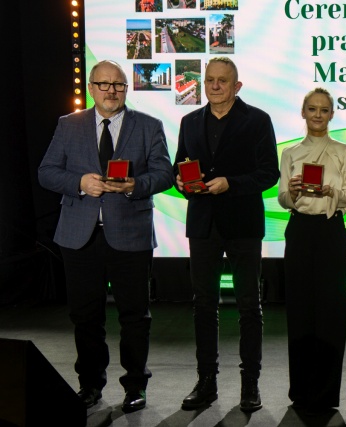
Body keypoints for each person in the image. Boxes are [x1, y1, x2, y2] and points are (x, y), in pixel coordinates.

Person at [38, 60, 174, 413]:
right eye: (104, 84)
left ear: (126, 89)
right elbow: (46, 172)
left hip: (130, 234)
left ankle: (135, 386)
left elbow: (164, 174)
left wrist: (133, 185)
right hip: (79, 236)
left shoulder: (149, 125)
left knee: (135, 317)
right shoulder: (68, 125)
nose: (111, 91)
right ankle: (89, 385)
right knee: (85, 317)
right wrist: (80, 183)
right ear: (91, 87)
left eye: (118, 85)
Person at [173, 57, 279, 412]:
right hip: (202, 225)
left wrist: (230, 183)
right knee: (203, 305)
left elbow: (269, 174)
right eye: (210, 80)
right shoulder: (189, 121)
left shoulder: (258, 120)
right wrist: (180, 181)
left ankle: (251, 384)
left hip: (243, 226)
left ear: (237, 86)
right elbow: (179, 165)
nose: (215, 86)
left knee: (249, 306)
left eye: (222, 81)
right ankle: (206, 382)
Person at [277, 88, 346, 414]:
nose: (318, 115)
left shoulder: (343, 151)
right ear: (303, 112)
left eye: (324, 110)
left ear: (331, 114)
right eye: (312, 109)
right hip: (299, 230)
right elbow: (283, 198)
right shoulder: (290, 153)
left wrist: (331, 191)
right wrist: (292, 192)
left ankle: (326, 395)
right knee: (299, 311)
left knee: (331, 313)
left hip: (331, 232)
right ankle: (300, 391)